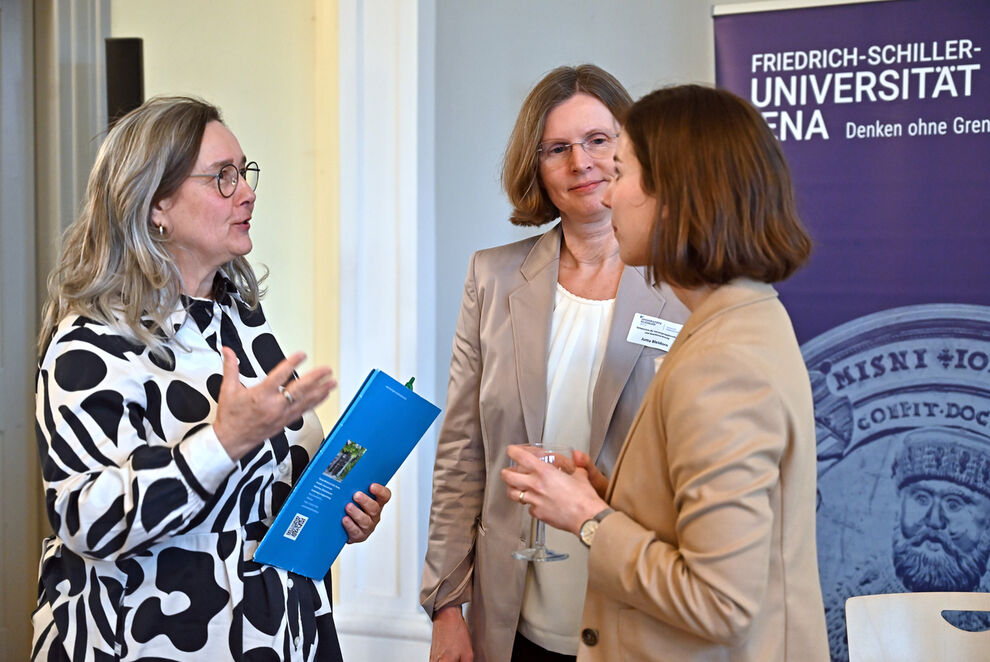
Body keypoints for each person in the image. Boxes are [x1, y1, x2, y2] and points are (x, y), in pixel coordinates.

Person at [31, 96, 390, 661]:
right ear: (156, 204)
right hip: (146, 641)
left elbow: (264, 498)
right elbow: (86, 519)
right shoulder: (90, 344)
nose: (246, 191)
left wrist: (337, 510)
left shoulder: (239, 321)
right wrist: (223, 442)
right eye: (222, 177)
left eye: (244, 172)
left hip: (279, 634)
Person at [501, 84, 830, 661]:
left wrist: (589, 518)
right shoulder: (742, 316)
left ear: (675, 197)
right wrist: (617, 497)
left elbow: (720, 602)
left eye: (621, 171)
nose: (608, 192)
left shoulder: (722, 361)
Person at [420, 65, 689, 662]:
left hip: (638, 607)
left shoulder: (686, 283)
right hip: (513, 612)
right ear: (535, 166)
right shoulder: (492, 277)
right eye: (558, 148)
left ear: (632, 147)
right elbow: (462, 451)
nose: (581, 163)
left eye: (599, 139)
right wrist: (445, 604)